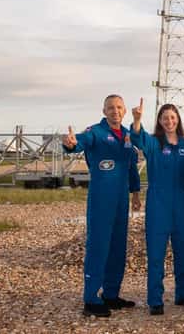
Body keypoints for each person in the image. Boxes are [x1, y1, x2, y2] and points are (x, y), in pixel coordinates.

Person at [62, 94, 141, 318]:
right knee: (98, 246)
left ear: (124, 111)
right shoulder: (95, 132)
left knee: (118, 247)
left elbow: (132, 166)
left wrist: (135, 193)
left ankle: (111, 294)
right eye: (110, 108)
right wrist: (70, 144)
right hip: (101, 199)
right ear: (104, 111)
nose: (115, 111)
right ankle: (91, 299)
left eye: (118, 107)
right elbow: (78, 142)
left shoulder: (128, 135)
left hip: (121, 199)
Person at [130, 99, 184, 315]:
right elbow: (137, 138)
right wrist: (137, 120)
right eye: (165, 117)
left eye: (172, 117)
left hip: (181, 202)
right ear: (159, 120)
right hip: (158, 202)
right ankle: (155, 300)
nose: (169, 121)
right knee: (157, 252)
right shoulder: (154, 143)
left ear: (177, 119)